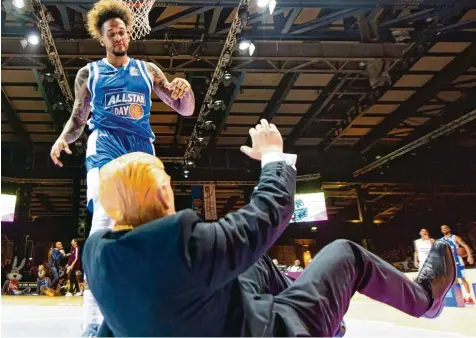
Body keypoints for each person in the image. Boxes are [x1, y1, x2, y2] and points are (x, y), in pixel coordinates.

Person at [83, 120, 457, 337]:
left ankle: (324, 313)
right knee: (346, 254)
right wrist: (273, 156)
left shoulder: (99, 255)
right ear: (164, 191)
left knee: (254, 262)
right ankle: (425, 300)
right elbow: (269, 212)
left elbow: (114, 323)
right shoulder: (185, 248)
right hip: (272, 331)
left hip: (205, 320)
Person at [49, 0, 194, 334]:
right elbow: (78, 116)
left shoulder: (148, 70)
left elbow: (184, 109)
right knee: (102, 227)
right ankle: (92, 325)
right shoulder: (90, 73)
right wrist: (62, 139)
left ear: (129, 34)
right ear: (102, 39)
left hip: (142, 156)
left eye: (123, 32)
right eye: (112, 33)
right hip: (105, 154)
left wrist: (184, 91)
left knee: (154, 233)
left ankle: (155, 316)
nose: (119, 37)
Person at [441, 224, 475, 305]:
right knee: (454, 281)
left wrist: (469, 256)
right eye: (442, 229)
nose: (444, 229)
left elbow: (465, 245)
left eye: (445, 228)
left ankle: (469, 297)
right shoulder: (441, 240)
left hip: (457, 261)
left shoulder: (454, 237)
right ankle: (458, 298)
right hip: (449, 263)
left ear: (449, 229)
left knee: (462, 278)